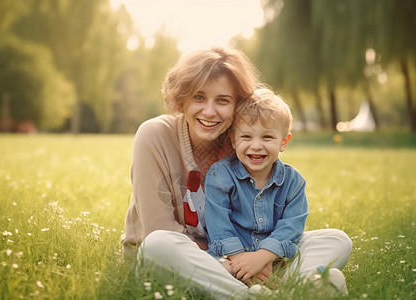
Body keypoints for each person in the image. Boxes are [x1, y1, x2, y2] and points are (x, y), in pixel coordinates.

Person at [121, 47, 352, 299]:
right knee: (157, 245)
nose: (209, 112)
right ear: (182, 99)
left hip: (251, 255)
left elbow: (270, 212)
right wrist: (236, 262)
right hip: (188, 259)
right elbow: (157, 229)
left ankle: (285, 287)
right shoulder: (154, 135)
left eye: (222, 100)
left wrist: (260, 257)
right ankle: (257, 294)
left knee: (336, 240)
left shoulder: (241, 141)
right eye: (199, 97)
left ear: (237, 105)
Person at [204, 88, 349, 295]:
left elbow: (292, 226)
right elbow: (219, 227)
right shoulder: (220, 176)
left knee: (338, 239)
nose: (256, 146)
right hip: (231, 261)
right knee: (209, 265)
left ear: (284, 142)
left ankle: (291, 284)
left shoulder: (293, 181)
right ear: (233, 139)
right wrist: (245, 264)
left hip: (276, 261)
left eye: (267, 137)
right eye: (246, 136)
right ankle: (265, 289)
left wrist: (262, 257)